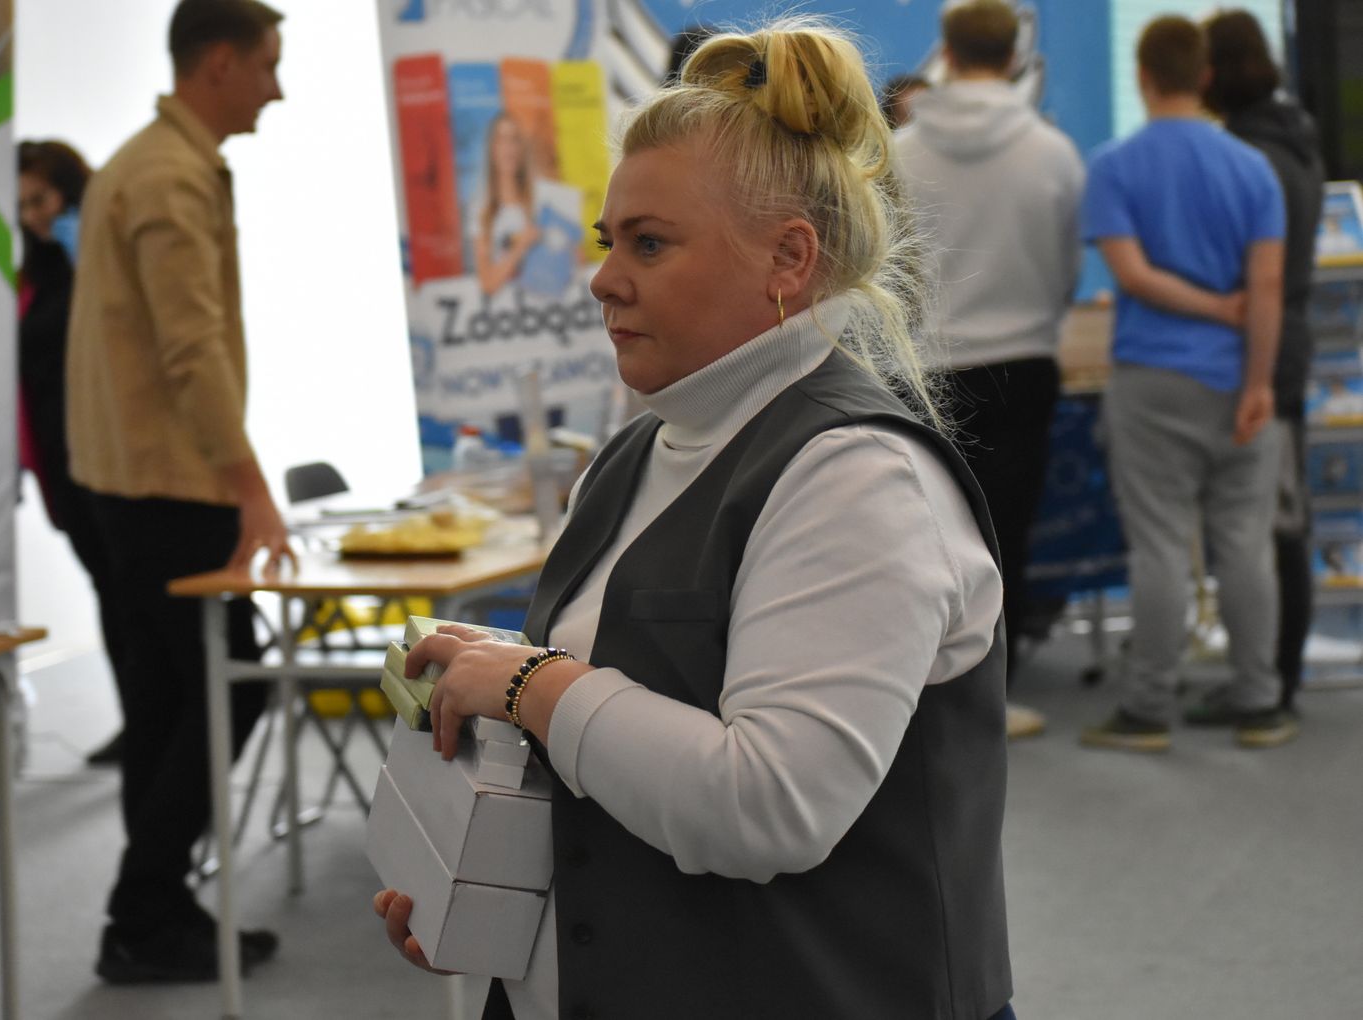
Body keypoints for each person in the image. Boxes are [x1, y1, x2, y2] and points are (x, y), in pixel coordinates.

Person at [375, 19, 1016, 1020]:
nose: (603, 278)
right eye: (609, 241)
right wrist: (484, 899)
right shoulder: (635, 457)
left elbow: (768, 808)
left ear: (789, 259)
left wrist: (535, 682)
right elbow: (619, 736)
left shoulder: (857, 476)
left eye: (649, 243)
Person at [65, 0, 293, 983]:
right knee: (228, 690)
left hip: (125, 481)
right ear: (220, 63)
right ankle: (142, 905)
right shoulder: (168, 176)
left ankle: (155, 917)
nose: (277, 90)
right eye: (268, 66)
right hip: (168, 487)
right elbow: (190, 350)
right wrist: (252, 490)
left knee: (164, 706)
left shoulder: (142, 162)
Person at [1079, 15, 1292, 752]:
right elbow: (1267, 288)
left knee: (1160, 547)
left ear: (1142, 77)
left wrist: (1204, 306)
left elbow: (1133, 275)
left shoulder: (1113, 165)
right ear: (1204, 77)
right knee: (1246, 546)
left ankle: (1147, 710)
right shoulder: (1253, 168)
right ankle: (1260, 701)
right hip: (1238, 379)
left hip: (1152, 379)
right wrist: (1259, 380)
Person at [894, 0, 1084, 740]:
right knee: (1005, 537)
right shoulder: (1053, 152)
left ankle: (913, 693)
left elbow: (890, 272)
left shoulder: (901, 154)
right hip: (1024, 362)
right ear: (1014, 56)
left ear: (945, 51)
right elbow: (1067, 271)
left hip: (928, 368)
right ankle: (992, 701)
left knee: (926, 539)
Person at [1184, 8, 1325, 729]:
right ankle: (1272, 677)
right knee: (1275, 523)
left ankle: (1273, 686)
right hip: (1282, 344)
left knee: (1274, 526)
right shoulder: (1292, 136)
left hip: (1259, 353)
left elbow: (1253, 277)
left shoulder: (1249, 153)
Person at [17, 139, 126, 767]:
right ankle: (135, 719)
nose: (34, 215)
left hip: (107, 461)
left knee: (130, 597)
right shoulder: (33, 279)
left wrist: (83, 251)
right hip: (59, 467)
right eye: (24, 205)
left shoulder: (96, 260)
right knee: (107, 593)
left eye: (42, 199)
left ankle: (152, 722)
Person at [475, 114, 539, 295]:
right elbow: (487, 284)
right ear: (492, 148)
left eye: (514, 140)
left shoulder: (540, 201)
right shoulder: (480, 210)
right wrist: (521, 245)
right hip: (506, 309)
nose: (508, 148)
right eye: (501, 140)